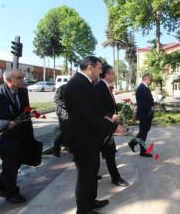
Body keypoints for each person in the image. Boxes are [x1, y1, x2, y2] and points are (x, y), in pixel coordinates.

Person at [63, 56, 127, 214]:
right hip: (82, 139)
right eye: (99, 68)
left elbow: (95, 109)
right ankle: (83, 210)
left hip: (90, 138)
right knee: (85, 176)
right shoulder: (78, 84)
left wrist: (109, 117)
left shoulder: (85, 83)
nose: (101, 71)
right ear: (90, 68)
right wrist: (113, 127)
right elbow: (90, 114)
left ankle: (91, 201)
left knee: (92, 173)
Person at [0, 68, 33, 203]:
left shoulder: (23, 92)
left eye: (23, 77)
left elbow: (26, 112)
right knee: (10, 166)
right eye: (19, 78)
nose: (23, 80)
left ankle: (2, 185)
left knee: (17, 163)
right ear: (8, 80)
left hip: (22, 136)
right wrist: (6, 123)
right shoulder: (0, 95)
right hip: (6, 138)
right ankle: (11, 193)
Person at [94, 64, 129, 187]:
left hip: (107, 125)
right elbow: (96, 108)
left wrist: (113, 115)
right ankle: (115, 177)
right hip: (101, 127)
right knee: (104, 153)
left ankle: (115, 177)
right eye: (113, 73)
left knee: (109, 152)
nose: (115, 75)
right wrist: (110, 115)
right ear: (107, 75)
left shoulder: (105, 87)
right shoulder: (98, 87)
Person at [128, 73, 155, 157]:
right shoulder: (141, 88)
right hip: (144, 115)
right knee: (143, 132)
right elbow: (141, 103)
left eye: (152, 80)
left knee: (143, 133)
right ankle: (134, 144)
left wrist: (153, 103)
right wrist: (150, 108)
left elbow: (146, 100)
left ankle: (141, 150)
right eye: (150, 80)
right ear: (145, 79)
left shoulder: (145, 88)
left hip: (146, 115)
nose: (151, 82)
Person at [53, 84, 68, 157]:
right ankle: (56, 149)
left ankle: (70, 147)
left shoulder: (75, 88)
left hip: (71, 114)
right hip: (62, 113)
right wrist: (67, 106)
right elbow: (56, 99)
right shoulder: (62, 88)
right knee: (63, 132)